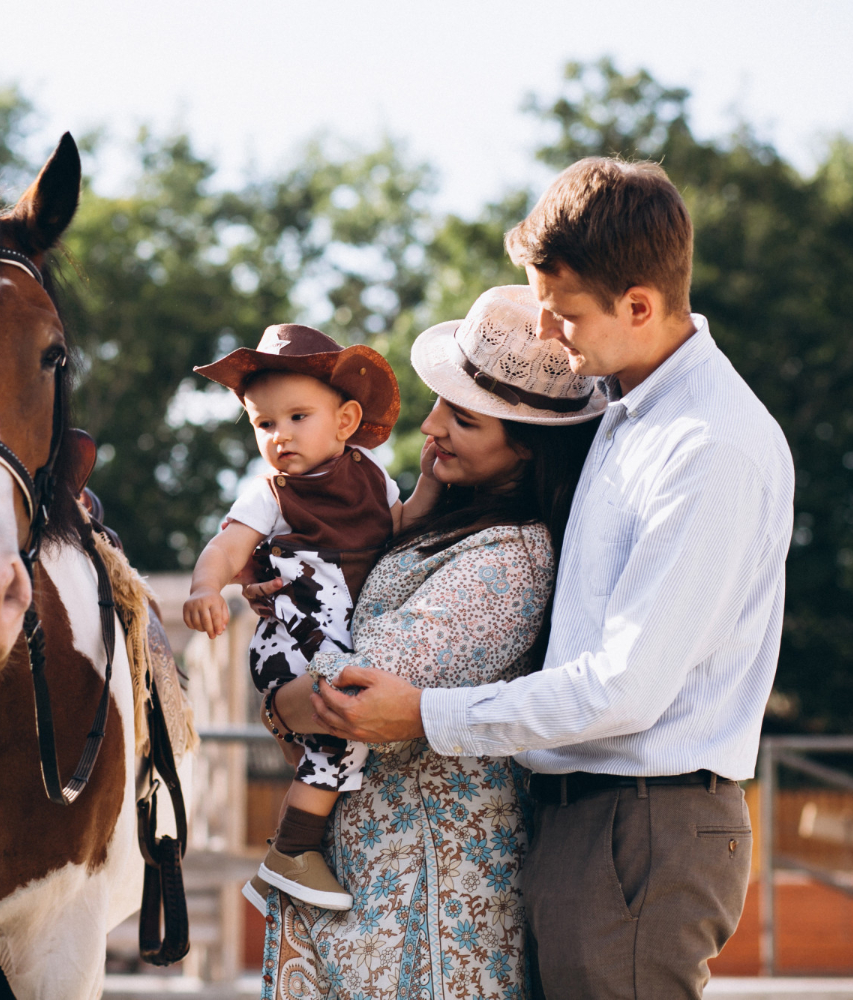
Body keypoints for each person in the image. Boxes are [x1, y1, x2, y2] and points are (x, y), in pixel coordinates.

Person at [303, 158, 795, 999]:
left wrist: (423, 712)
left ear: (638, 306)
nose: (546, 328)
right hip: (586, 817)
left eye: (563, 311)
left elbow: (624, 689)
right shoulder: (625, 410)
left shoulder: (707, 449)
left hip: (641, 821)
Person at [254, 285, 603, 1000]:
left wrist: (279, 691)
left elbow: (350, 692)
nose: (431, 425)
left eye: (464, 420)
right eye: (441, 402)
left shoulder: (512, 558)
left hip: (426, 898)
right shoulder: (430, 523)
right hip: (369, 882)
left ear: (527, 451)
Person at [182, 324, 404, 910]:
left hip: (336, 640)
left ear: (346, 420)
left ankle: (283, 867)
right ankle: (291, 851)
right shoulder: (272, 494)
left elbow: (403, 531)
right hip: (291, 641)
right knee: (341, 728)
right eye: (264, 424)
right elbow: (226, 548)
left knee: (337, 742)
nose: (280, 435)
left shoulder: (375, 479)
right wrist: (205, 586)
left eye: (298, 417)